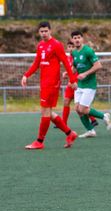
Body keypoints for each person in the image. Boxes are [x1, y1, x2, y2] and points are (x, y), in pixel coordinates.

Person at [21, 21, 78, 150]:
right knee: (48, 112)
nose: (44, 33)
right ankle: (70, 133)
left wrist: (73, 80)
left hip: (52, 83)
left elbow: (66, 62)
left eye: (46, 31)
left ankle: (39, 141)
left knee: (45, 112)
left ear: (50, 31)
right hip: (44, 82)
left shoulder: (56, 45)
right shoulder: (40, 45)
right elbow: (36, 63)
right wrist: (26, 75)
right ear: (39, 32)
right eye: (42, 31)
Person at [71, 30, 111, 138]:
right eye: (74, 38)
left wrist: (85, 74)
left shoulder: (88, 51)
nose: (77, 40)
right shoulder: (74, 52)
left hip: (89, 85)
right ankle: (90, 131)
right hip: (80, 85)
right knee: (77, 109)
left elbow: (98, 65)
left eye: (79, 37)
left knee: (83, 109)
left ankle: (104, 116)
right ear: (72, 40)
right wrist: (69, 72)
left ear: (82, 39)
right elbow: (76, 66)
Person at [61, 39, 98, 127]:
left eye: (72, 47)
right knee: (66, 102)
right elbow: (71, 71)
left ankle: (95, 118)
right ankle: (63, 123)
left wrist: (74, 81)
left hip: (77, 83)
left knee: (81, 107)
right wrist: (66, 74)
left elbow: (79, 71)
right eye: (69, 47)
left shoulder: (78, 56)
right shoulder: (68, 58)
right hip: (71, 83)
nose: (70, 49)